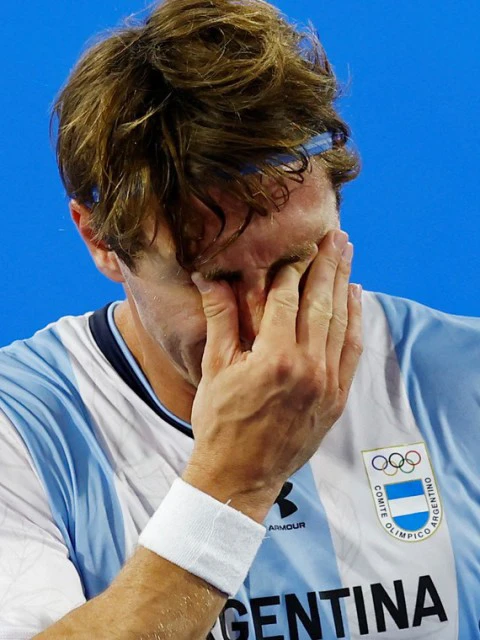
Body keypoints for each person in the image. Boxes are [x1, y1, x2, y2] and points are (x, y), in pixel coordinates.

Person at [0, 0, 478, 637]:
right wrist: (236, 481)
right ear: (100, 241)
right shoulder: (19, 432)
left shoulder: (463, 378)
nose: (267, 322)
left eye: (295, 262)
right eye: (215, 279)